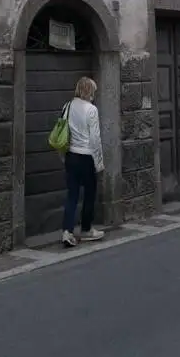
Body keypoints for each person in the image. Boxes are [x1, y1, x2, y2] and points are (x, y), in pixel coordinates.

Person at [61, 76, 105, 248]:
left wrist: (63, 156)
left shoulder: (67, 106)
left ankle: (67, 231)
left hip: (71, 155)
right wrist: (99, 163)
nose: (94, 94)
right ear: (89, 91)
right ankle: (86, 229)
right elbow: (95, 139)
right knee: (89, 194)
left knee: (72, 195)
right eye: (93, 91)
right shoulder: (91, 109)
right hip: (86, 157)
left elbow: (63, 131)